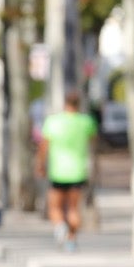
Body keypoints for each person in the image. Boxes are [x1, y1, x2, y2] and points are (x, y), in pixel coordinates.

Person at [37, 91, 97, 251]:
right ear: (79, 104)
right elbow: (93, 145)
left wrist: (41, 165)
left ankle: (60, 226)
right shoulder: (86, 122)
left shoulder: (53, 121)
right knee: (73, 208)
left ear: (65, 103)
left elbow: (44, 146)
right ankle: (71, 240)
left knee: (54, 207)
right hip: (78, 171)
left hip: (58, 171)